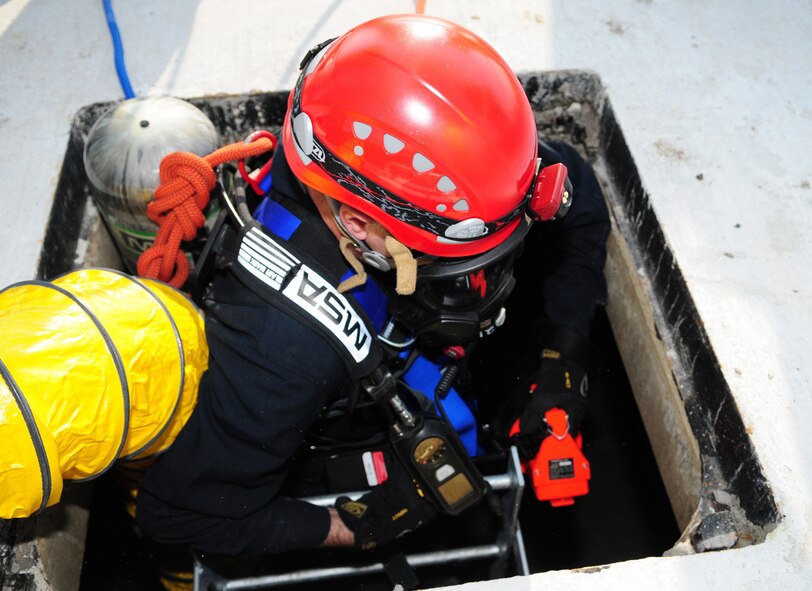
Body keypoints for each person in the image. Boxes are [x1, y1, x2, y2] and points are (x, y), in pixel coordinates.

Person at [135, 13, 609, 559]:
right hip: (331, 413)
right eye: (446, 259)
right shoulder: (281, 352)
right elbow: (178, 515)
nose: (480, 279)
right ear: (359, 225)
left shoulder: (459, 170)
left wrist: (563, 355)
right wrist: (354, 523)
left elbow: (580, 199)